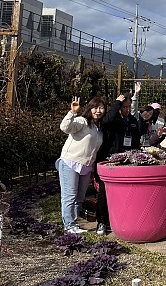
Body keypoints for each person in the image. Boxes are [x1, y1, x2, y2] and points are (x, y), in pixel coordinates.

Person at [57, 96, 106, 234]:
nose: (98, 111)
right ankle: (69, 225)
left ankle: (74, 223)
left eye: (101, 108)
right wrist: (72, 112)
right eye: (95, 107)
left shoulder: (99, 128)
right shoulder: (82, 121)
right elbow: (65, 127)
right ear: (90, 109)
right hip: (70, 162)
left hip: (86, 166)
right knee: (70, 195)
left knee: (79, 197)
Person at [95, 94, 140, 235]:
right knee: (104, 192)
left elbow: (136, 140)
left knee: (122, 193)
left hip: (126, 161)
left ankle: (119, 220)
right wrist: (116, 104)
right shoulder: (112, 118)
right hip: (109, 160)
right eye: (124, 107)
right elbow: (106, 121)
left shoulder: (132, 121)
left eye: (129, 107)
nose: (127, 110)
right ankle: (102, 222)